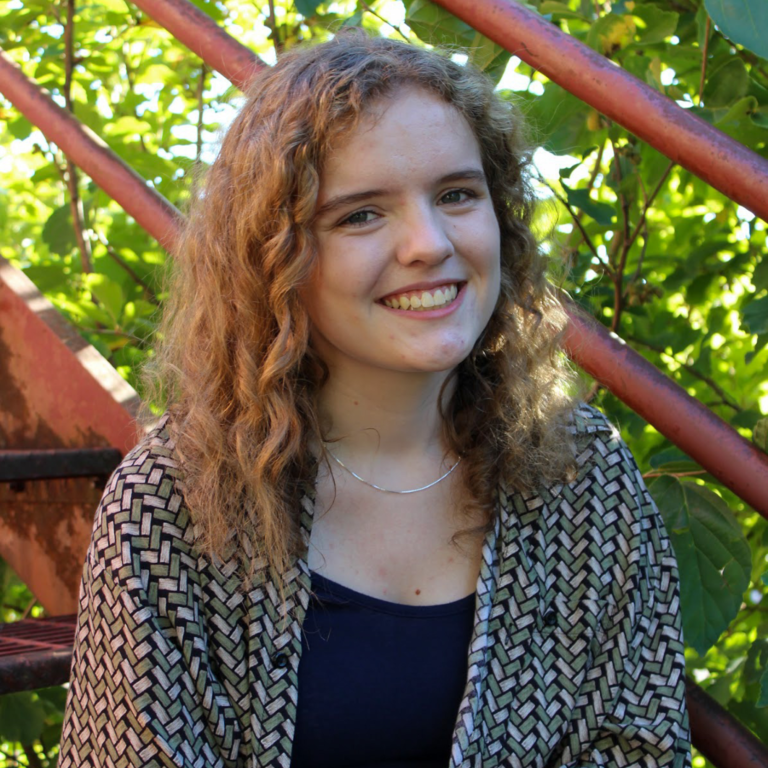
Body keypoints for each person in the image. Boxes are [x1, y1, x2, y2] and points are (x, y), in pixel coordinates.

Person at [59, 31, 691, 768]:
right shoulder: (178, 498)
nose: (429, 243)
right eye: (361, 214)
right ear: (274, 257)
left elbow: (639, 748)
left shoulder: (584, 478)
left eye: (457, 194)